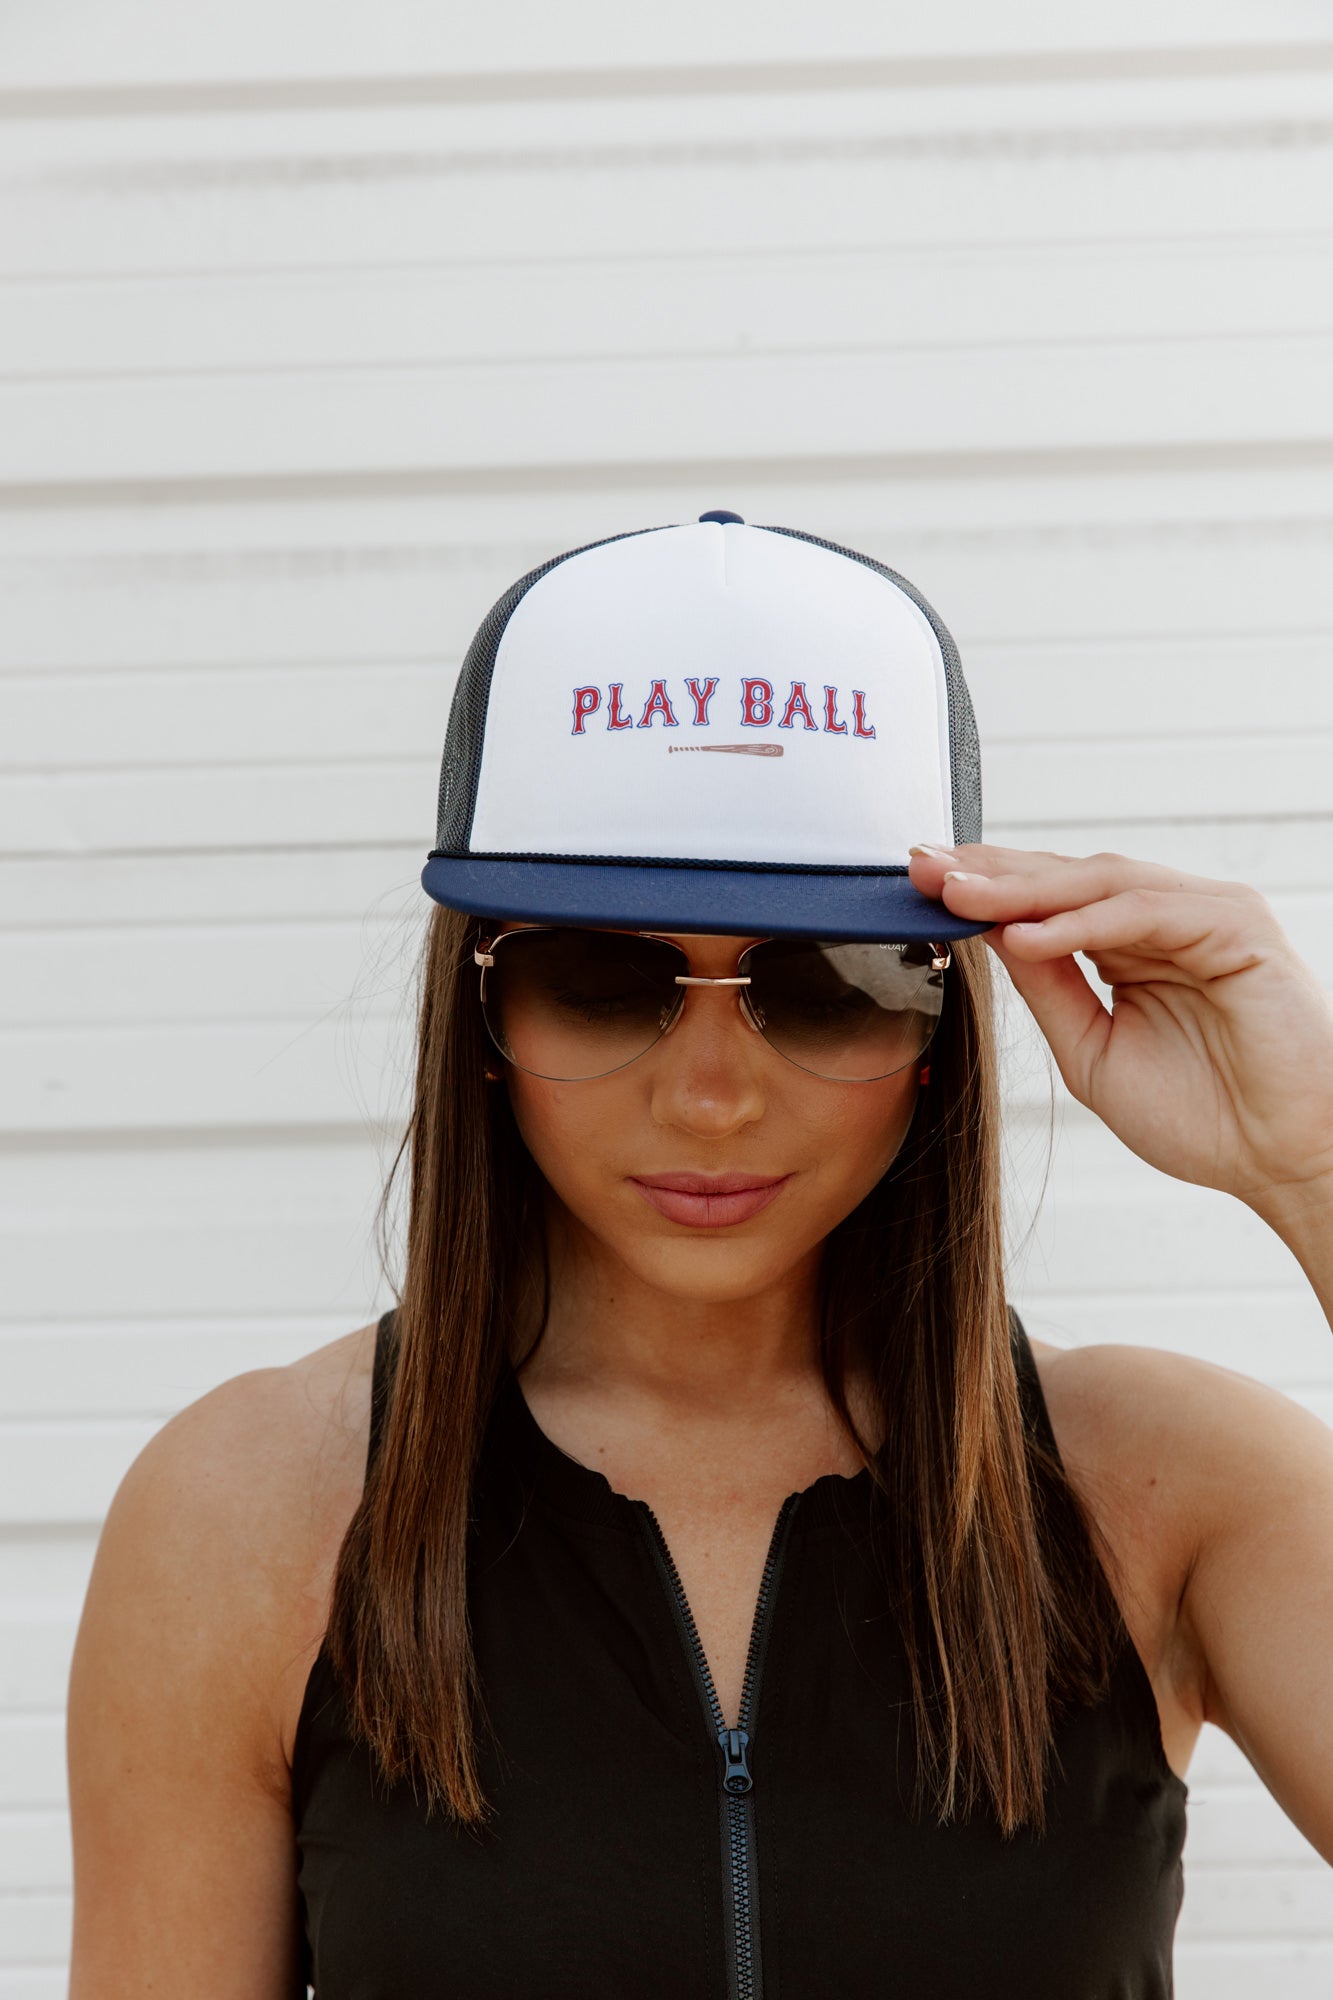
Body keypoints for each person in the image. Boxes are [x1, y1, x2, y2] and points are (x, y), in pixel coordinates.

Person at [66, 516, 1333, 1998]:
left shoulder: (1172, 1486)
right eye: (603, 978)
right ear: (482, 1013)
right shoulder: (246, 1513)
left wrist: (1312, 1165)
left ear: (944, 1015)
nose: (712, 1097)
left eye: (830, 982)